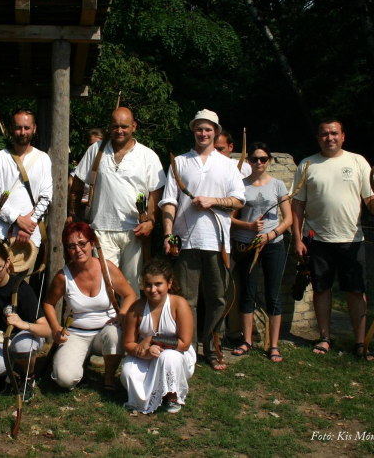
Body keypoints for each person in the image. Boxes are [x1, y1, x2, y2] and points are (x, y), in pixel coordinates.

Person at [291, 119, 374, 361]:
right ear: (318, 137)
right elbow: (297, 207)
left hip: (351, 238)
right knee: (321, 289)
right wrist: (298, 239)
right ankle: (324, 337)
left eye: (334, 133)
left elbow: (370, 199)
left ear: (343, 136)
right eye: (325, 134)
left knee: (356, 291)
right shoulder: (307, 165)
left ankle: (360, 342)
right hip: (317, 239)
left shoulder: (357, 161)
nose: (330, 138)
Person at [160, 109, 245, 371]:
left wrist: (212, 201)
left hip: (217, 242)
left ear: (216, 132)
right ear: (193, 131)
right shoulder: (180, 163)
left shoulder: (228, 165)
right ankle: (188, 350)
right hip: (186, 240)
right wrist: (167, 234)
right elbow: (169, 202)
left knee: (218, 298)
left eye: (208, 129)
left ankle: (213, 348)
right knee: (187, 300)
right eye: (199, 128)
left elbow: (238, 200)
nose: (203, 133)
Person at [70, 108, 166, 295]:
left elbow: (155, 193)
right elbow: (77, 184)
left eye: (124, 126)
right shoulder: (96, 151)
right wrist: (73, 215)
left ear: (134, 127)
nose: (119, 130)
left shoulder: (148, 156)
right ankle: (108, 325)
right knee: (105, 286)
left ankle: (131, 324)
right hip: (101, 230)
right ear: (109, 127)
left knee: (133, 287)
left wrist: (151, 222)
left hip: (135, 232)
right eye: (115, 126)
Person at [43, 222, 137, 391]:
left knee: (115, 334)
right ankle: (80, 365)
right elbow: (49, 303)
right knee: (64, 379)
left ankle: (108, 377)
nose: (78, 250)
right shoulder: (63, 277)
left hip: (105, 330)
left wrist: (122, 314)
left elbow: (130, 294)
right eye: (71, 246)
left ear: (91, 244)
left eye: (82, 243)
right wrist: (56, 327)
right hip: (76, 333)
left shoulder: (106, 267)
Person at [230, 142, 293, 362]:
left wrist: (270, 235)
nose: (259, 162)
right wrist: (248, 227)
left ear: (269, 161)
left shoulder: (278, 185)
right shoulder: (240, 185)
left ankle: (273, 345)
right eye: (254, 159)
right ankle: (246, 341)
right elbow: (231, 218)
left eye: (263, 159)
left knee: (273, 294)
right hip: (247, 246)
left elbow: (289, 219)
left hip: (272, 245)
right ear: (248, 161)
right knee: (247, 293)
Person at [0, 240, 51, 400]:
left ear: (7, 263)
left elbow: (46, 329)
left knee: (23, 345)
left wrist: (24, 324)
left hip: (23, 335)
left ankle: (28, 377)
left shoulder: (20, 287)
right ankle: (5, 375)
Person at [120, 259, 196, 414]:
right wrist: (144, 352)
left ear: (169, 283)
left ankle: (172, 396)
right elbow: (127, 343)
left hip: (176, 354)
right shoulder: (137, 307)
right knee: (128, 371)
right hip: (147, 355)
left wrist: (152, 341)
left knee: (168, 357)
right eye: (148, 284)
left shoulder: (179, 304)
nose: (152, 289)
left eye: (158, 284)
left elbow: (185, 343)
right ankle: (142, 400)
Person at [0, 109, 52, 274]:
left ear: (34, 128)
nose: (23, 132)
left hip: (29, 237)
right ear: (11, 129)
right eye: (18, 127)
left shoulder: (43, 159)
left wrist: (28, 225)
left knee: (21, 288)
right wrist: (17, 219)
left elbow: (46, 197)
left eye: (27, 128)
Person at [68, 128, 104, 203]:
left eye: (98, 144)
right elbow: (70, 195)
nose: (94, 147)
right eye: (91, 145)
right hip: (82, 210)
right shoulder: (77, 170)